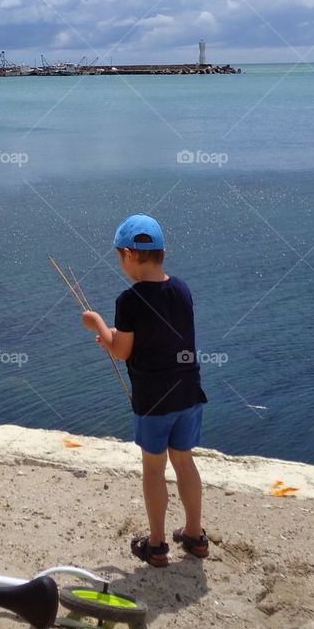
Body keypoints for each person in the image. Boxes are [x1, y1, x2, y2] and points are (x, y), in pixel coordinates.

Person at [81, 213, 208, 567]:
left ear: (129, 255)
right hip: (189, 392)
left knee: (154, 469)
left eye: (119, 257)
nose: (121, 263)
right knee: (184, 461)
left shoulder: (129, 300)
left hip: (154, 400)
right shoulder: (182, 289)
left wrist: (98, 326)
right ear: (161, 252)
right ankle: (195, 536)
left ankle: (156, 544)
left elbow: (121, 350)